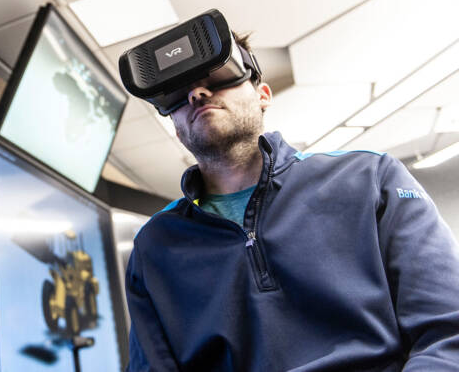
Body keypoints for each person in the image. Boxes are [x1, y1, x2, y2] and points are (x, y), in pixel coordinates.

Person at [124, 32, 459, 371]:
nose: (197, 93)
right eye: (178, 95)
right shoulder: (155, 247)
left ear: (263, 95)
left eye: (218, 77)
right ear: (176, 129)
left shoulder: (370, 179)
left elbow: (447, 333)